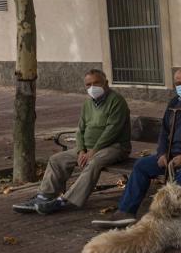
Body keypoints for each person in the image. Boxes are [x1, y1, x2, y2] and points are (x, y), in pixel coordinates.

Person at [92, 67, 181, 228]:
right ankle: (125, 213)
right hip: (175, 154)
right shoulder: (174, 103)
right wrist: (162, 153)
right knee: (142, 166)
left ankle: (163, 218)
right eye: (178, 83)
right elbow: (165, 132)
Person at [12, 69, 131, 215]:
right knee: (56, 159)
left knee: (94, 162)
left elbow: (112, 130)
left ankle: (65, 201)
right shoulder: (88, 103)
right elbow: (80, 129)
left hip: (114, 147)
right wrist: (81, 150)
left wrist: (93, 151)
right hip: (87, 149)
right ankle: (44, 197)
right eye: (88, 84)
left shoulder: (117, 101)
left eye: (96, 83)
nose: (92, 87)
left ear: (105, 83)